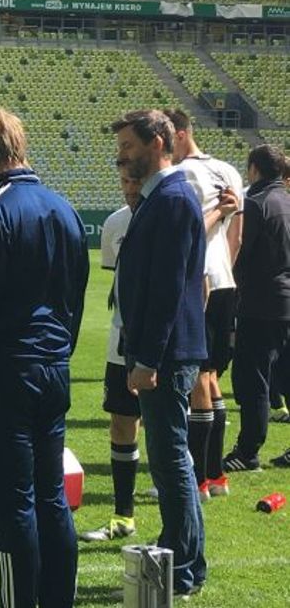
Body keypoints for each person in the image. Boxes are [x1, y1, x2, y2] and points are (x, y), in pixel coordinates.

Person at [0, 108, 88, 608]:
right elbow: (75, 295)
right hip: (53, 368)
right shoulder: (65, 208)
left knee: (13, 510)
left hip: (3, 376)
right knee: (52, 499)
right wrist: (58, 352)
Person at [112, 109, 207, 598]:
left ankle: (184, 567)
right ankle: (187, 557)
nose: (121, 156)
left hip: (166, 355)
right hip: (163, 350)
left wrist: (147, 358)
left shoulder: (170, 198)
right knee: (173, 460)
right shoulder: (161, 197)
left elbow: (167, 288)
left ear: (158, 143)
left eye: (128, 146)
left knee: (171, 461)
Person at [165, 109, 243, 494]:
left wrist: (199, 275)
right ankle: (216, 475)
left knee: (196, 378)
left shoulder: (184, 175)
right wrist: (222, 268)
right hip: (225, 276)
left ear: (179, 135)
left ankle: (194, 480)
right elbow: (237, 237)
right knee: (211, 379)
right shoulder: (229, 171)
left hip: (201, 279)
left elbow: (191, 227)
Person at [79, 170, 144, 542]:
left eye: (136, 181)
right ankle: (123, 516)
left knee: (169, 432)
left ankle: (179, 520)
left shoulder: (168, 216)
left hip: (162, 346)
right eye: (125, 182)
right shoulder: (115, 223)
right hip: (120, 343)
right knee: (121, 423)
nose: (131, 188)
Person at [226, 144, 290, 469]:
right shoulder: (287, 201)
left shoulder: (255, 204)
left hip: (261, 304)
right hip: (285, 300)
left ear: (253, 169)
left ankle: (248, 450)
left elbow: (240, 254)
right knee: (285, 375)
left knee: (253, 380)